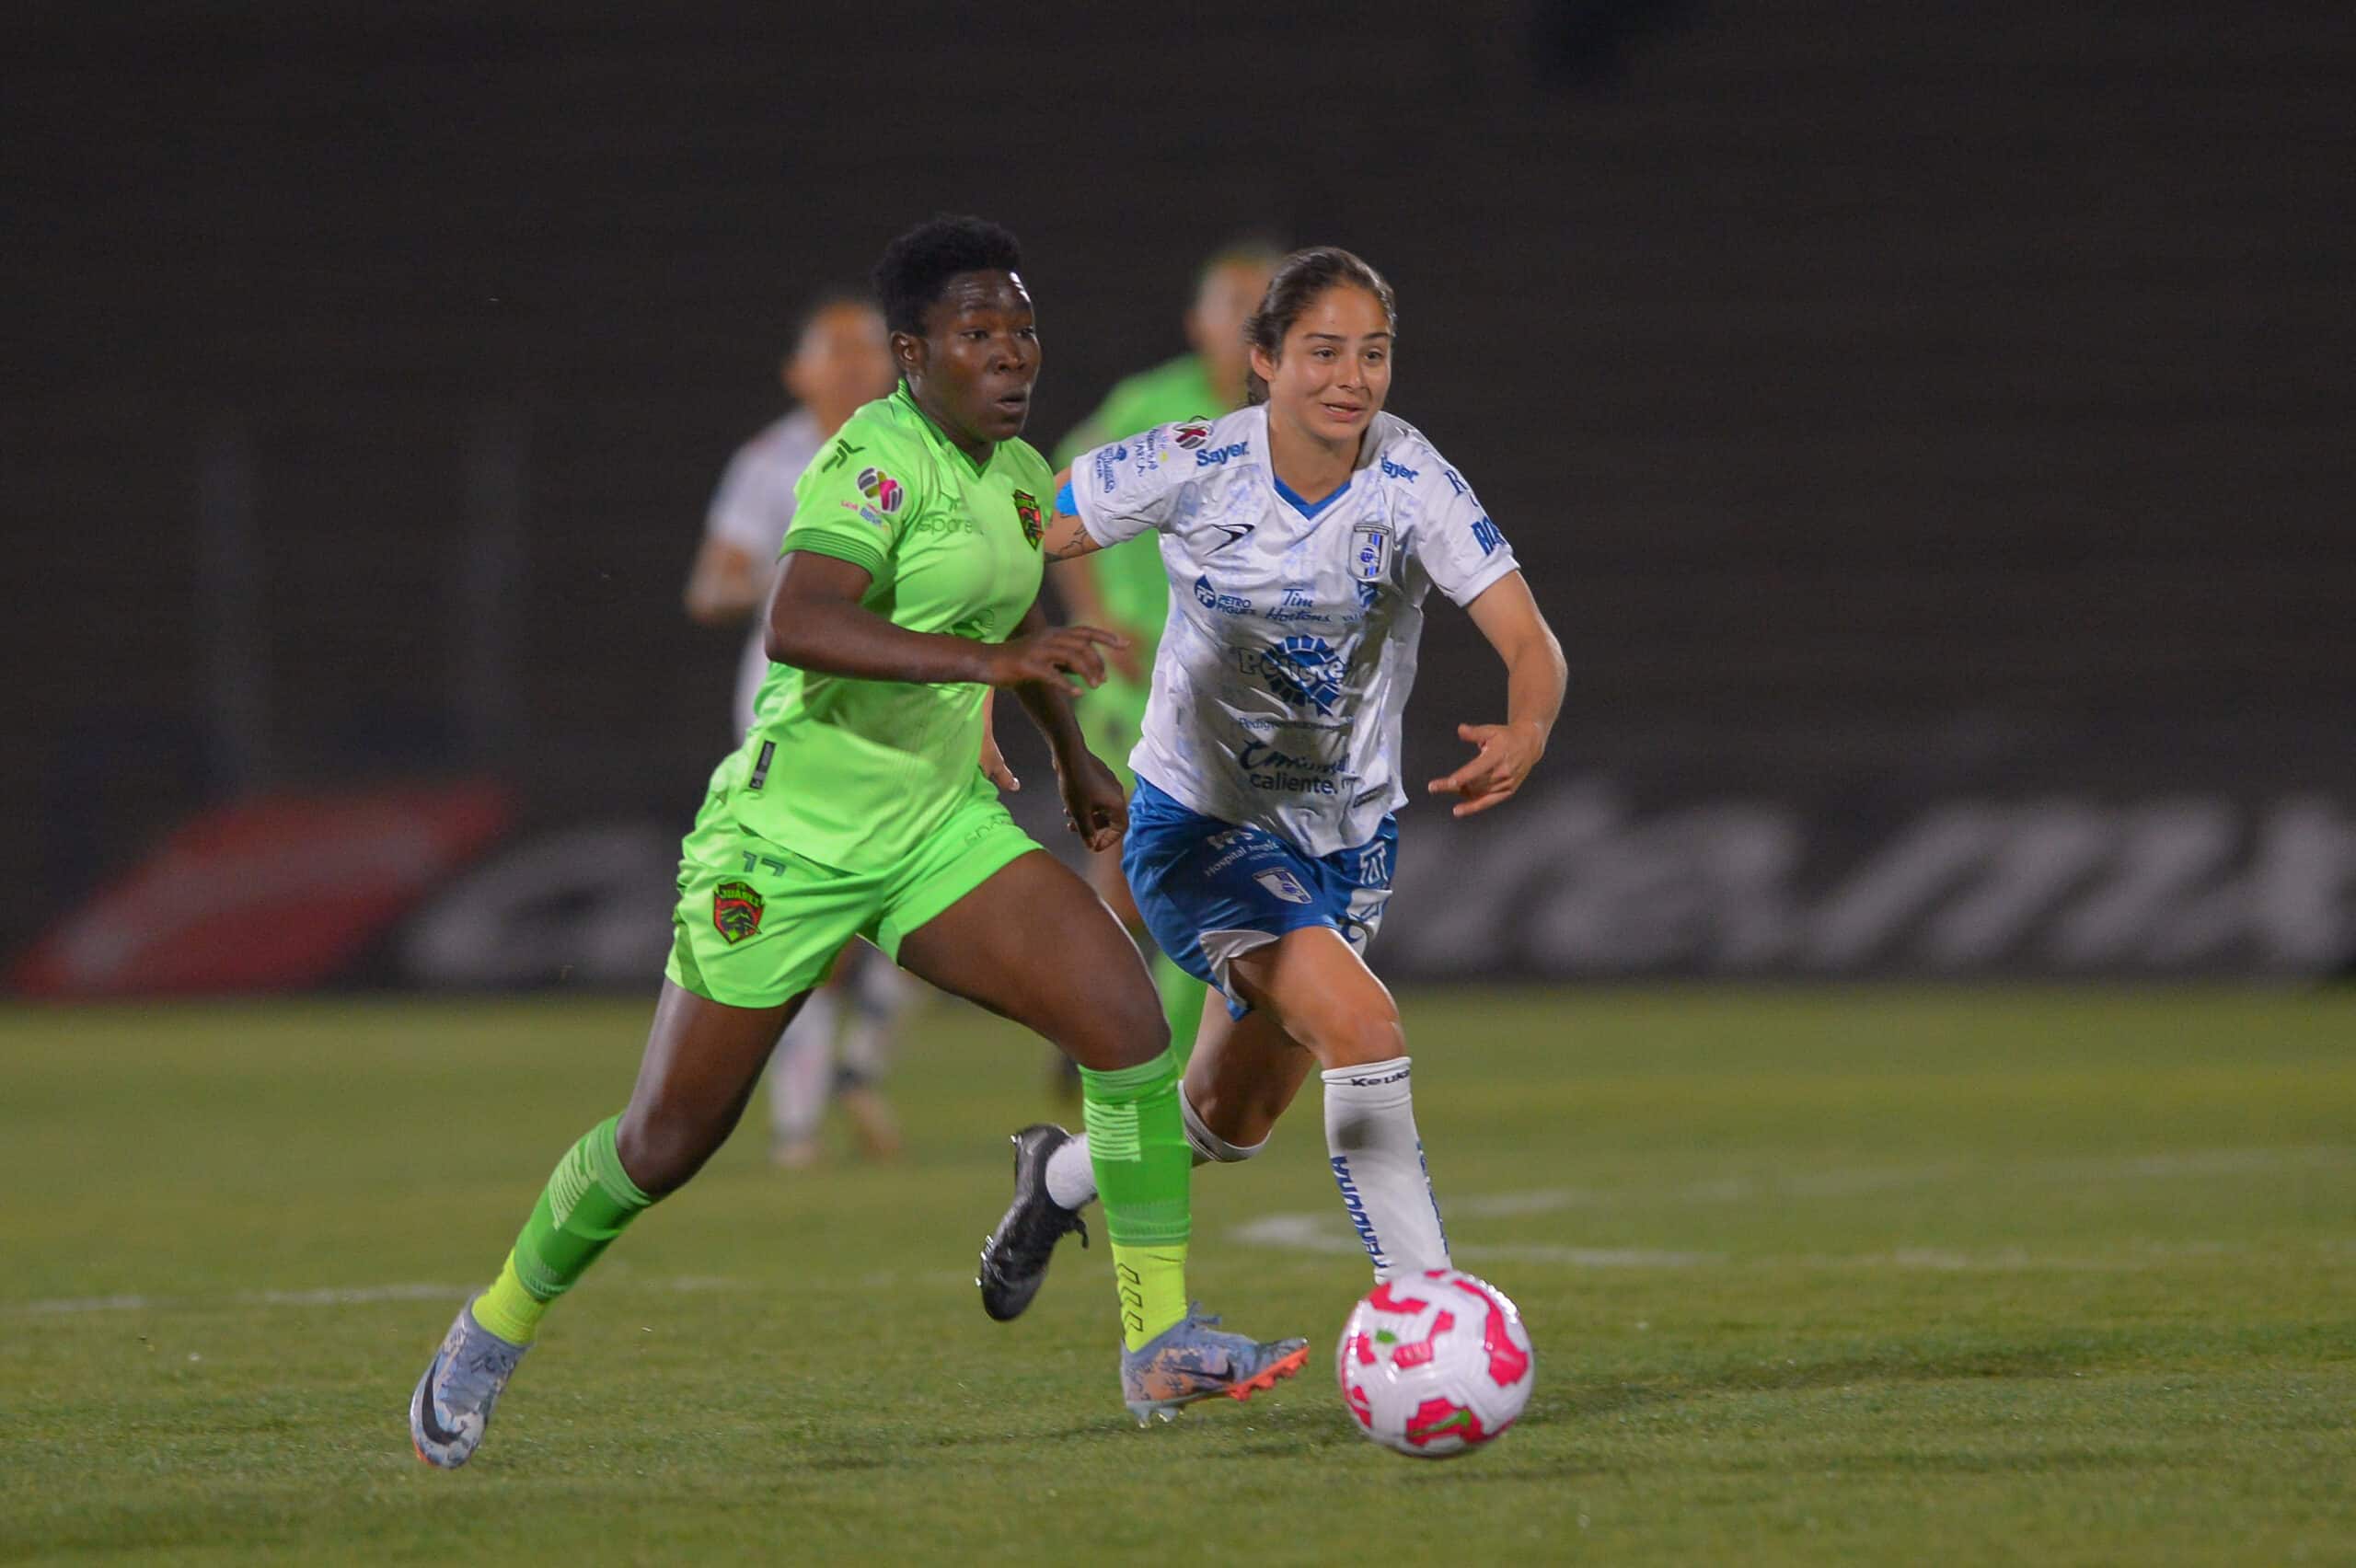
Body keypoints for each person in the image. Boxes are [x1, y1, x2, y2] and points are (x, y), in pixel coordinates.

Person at [410, 216, 1307, 1469]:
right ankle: (489, 1330)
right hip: (788, 843)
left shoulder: (1013, 474)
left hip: (936, 831)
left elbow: (1020, 636)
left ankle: (1157, 1342)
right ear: (911, 353)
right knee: (664, 1143)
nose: (1010, 355)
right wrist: (988, 664)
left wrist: (1068, 754)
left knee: (1124, 1018)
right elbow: (800, 621)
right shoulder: (870, 464)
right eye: (976, 333)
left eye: (1022, 330)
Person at [976, 248, 1566, 1322]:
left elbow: (1530, 638)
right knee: (1364, 1028)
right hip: (1199, 824)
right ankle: (1427, 1321)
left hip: (1346, 839)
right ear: (1263, 361)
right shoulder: (1195, 460)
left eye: (1373, 354)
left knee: (1223, 1123)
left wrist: (1528, 721)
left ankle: (1053, 1176)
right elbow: (1008, 542)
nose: (1351, 378)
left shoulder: (1411, 476)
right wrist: (984, 676)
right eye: (1323, 352)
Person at [683, 294, 912, 1168]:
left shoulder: (923, 451)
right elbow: (711, 586)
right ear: (800, 373)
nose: (856, 367)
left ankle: (857, 1069)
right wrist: (803, 577)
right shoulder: (772, 462)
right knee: (799, 908)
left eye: (869, 352)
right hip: (794, 711)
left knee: (933, 890)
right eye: (837, 353)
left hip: (903, 703)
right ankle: (797, 1126)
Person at [1047, 243, 1281, 1054]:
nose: (1255, 321)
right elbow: (1057, 491)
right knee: (1150, 872)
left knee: (1185, 871)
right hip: (1143, 684)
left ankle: (1121, 1035)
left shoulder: (1303, 420)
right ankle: (1101, 1026)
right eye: (1238, 305)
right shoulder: (1153, 405)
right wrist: (1099, 615)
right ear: (1199, 324)